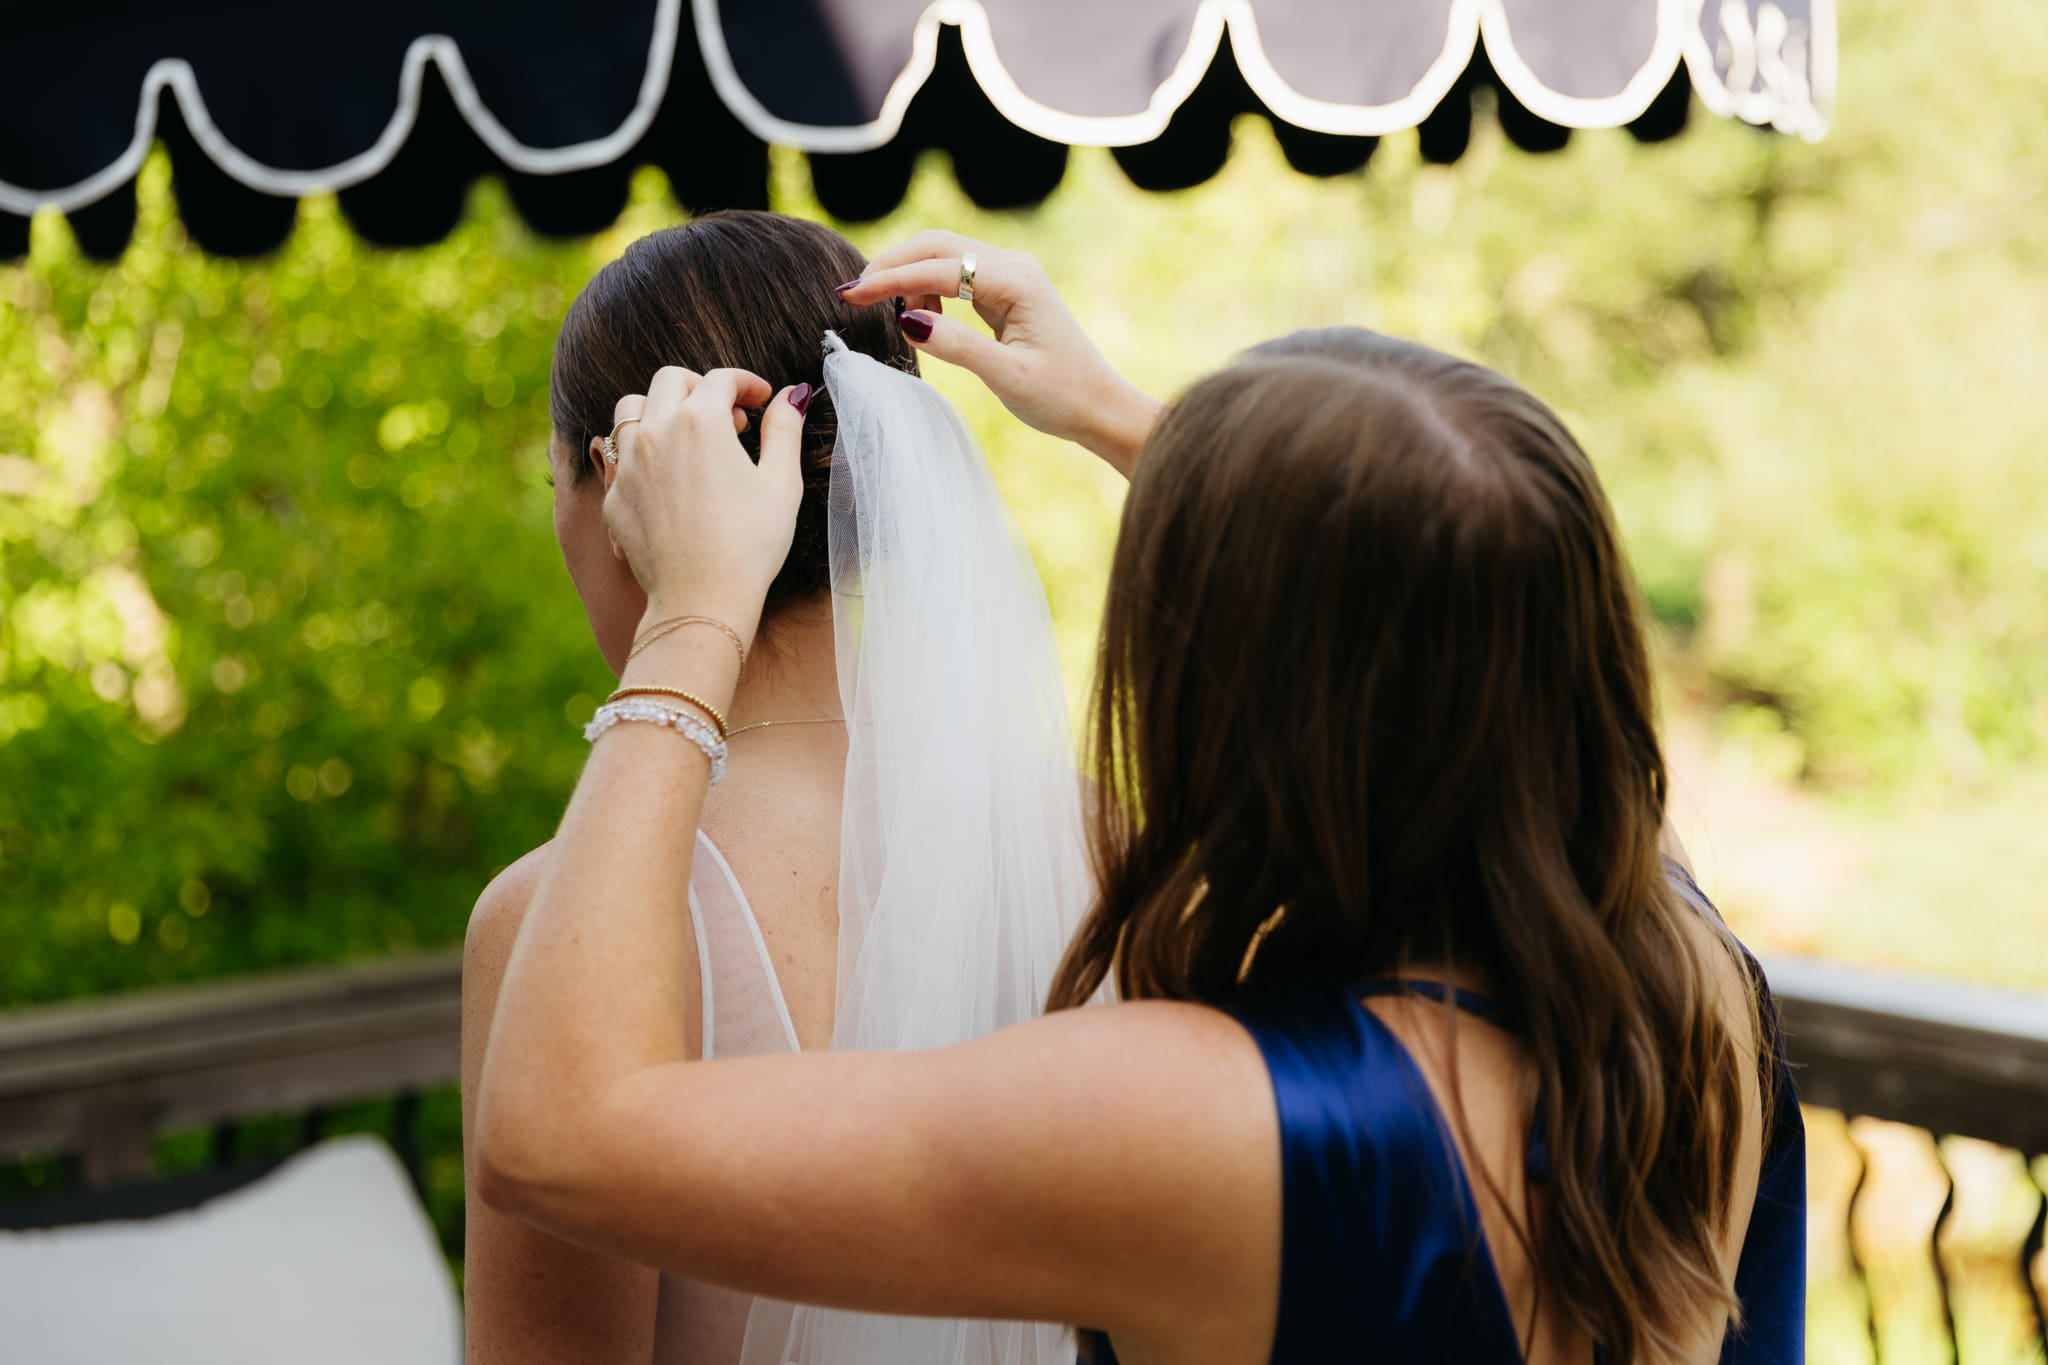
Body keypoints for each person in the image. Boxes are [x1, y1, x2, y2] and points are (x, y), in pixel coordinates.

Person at [474, 230, 1806, 1364]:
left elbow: (559, 1137)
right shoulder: (1683, 995)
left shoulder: (1190, 1118)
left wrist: (694, 607)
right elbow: (1474, 650)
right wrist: (1130, 420)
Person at [461, 213, 1092, 1365]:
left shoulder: (557, 929)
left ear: (619, 485)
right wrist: (1116, 415)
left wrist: (687, 616)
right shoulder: (1099, 838)